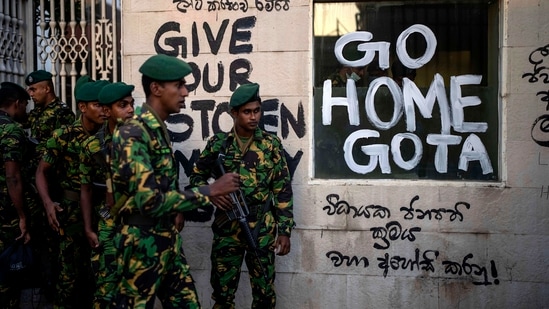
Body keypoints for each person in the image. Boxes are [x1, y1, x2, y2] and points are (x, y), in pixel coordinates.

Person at [108, 54, 240, 308]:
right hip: (141, 245)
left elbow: (163, 187)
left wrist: (178, 209)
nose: (186, 92)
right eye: (178, 85)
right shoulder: (132, 133)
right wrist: (209, 190)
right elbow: (148, 201)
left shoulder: (157, 130)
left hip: (167, 241)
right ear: (156, 88)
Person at [189, 82, 295, 309]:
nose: (254, 117)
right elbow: (196, 178)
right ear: (234, 113)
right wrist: (212, 194)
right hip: (227, 230)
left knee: (265, 294)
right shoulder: (218, 144)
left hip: (261, 229)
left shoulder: (270, 145)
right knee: (223, 295)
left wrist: (284, 231)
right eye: (247, 112)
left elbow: (282, 189)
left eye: (257, 110)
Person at [35, 80, 110, 309]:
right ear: (83, 107)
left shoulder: (112, 136)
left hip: (104, 210)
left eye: (106, 105)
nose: (103, 111)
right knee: (69, 276)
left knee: (102, 275)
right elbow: (41, 172)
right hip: (72, 213)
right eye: (97, 105)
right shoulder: (64, 135)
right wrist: (48, 203)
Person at [79, 82, 135, 308]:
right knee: (106, 288)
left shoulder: (146, 139)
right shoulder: (93, 146)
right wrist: (88, 228)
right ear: (107, 110)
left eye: (132, 104)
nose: (131, 110)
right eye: (123, 105)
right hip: (108, 222)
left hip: (142, 222)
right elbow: (86, 189)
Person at [25, 69, 76, 298]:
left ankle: (60, 286)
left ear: (47, 88)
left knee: (59, 238)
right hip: (38, 184)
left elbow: (66, 147)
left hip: (56, 183)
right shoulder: (36, 113)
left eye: (34, 89)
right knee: (42, 238)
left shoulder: (62, 113)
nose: (30, 93)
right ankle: (46, 281)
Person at [0, 82, 34, 308]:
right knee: (7, 274)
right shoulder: (11, 130)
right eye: (24, 105)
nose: (25, 111)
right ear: (17, 103)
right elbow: (13, 177)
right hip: (5, 213)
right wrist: (22, 216)